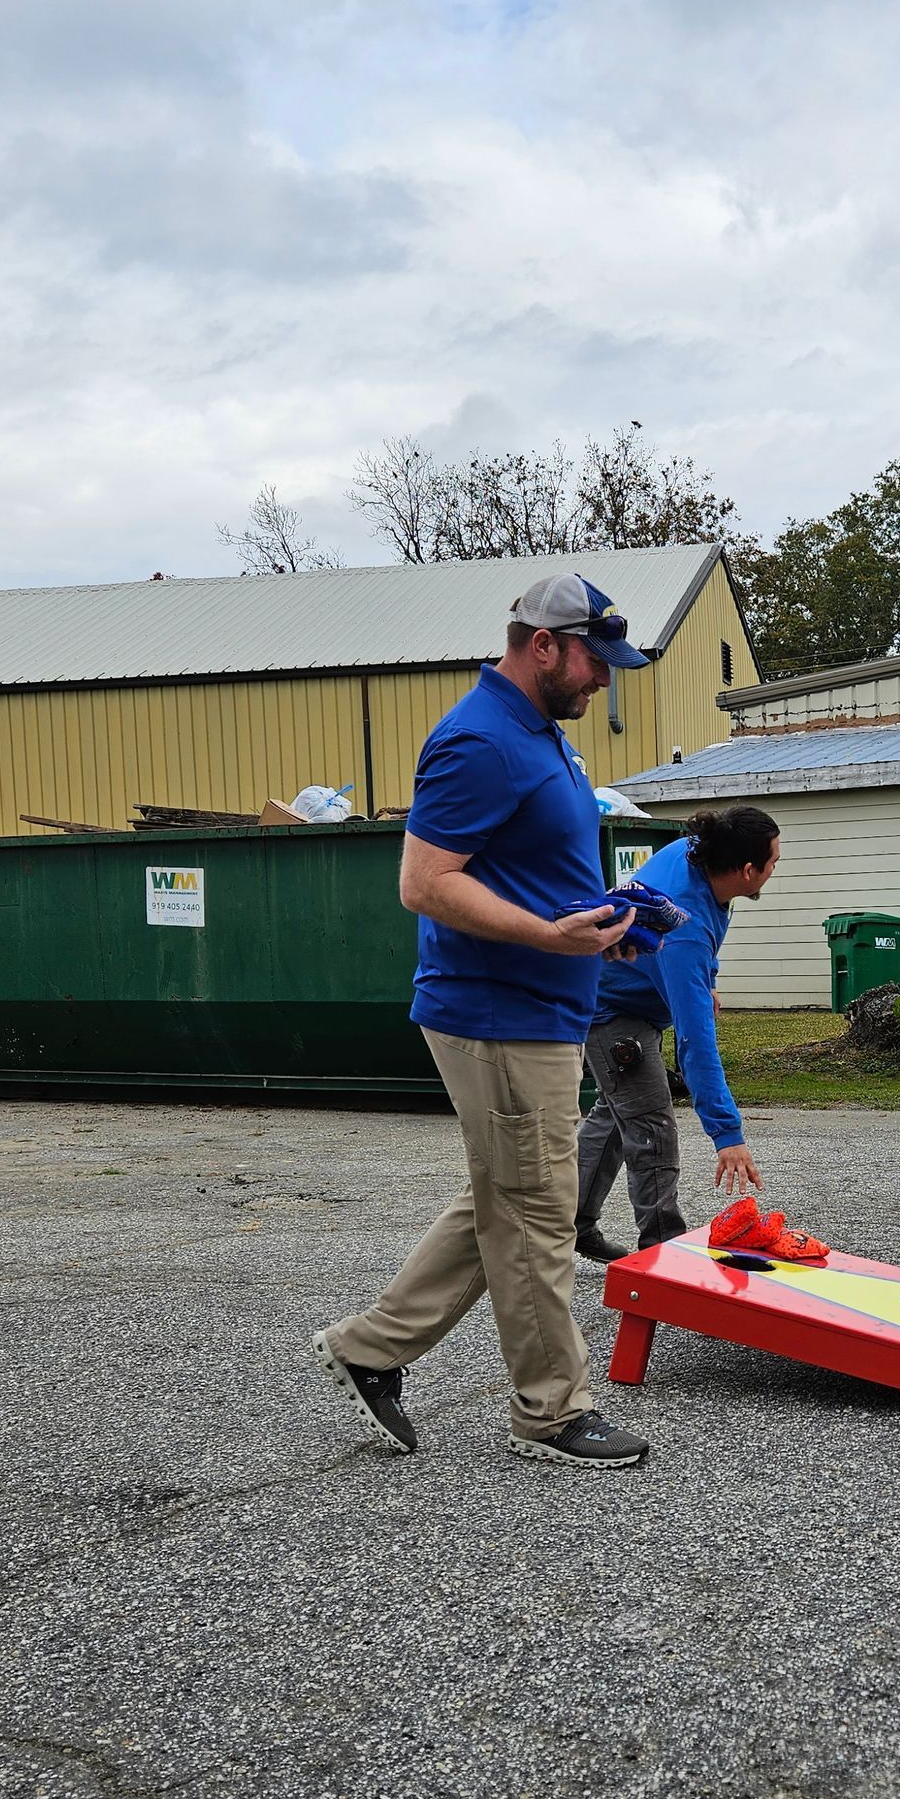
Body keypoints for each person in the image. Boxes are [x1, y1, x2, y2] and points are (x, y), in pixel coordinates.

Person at [312, 572, 654, 1469]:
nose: (602, 680)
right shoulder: (476, 739)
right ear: (543, 644)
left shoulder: (539, 736)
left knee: (505, 1192)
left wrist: (602, 929)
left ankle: (369, 1349)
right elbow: (425, 883)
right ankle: (551, 1412)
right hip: (497, 1016)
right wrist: (549, 934)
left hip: (539, 1003)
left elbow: (527, 872)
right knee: (538, 1211)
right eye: (593, 661)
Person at [574, 805, 782, 1261]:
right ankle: (663, 1256)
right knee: (652, 1130)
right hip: (613, 1014)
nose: (773, 871)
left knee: (615, 1119)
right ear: (747, 871)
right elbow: (695, 1045)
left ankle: (571, 1224)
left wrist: (704, 981)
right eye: (771, 864)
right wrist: (728, 1135)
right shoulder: (684, 929)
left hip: (621, 995)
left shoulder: (696, 853)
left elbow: (704, 933)